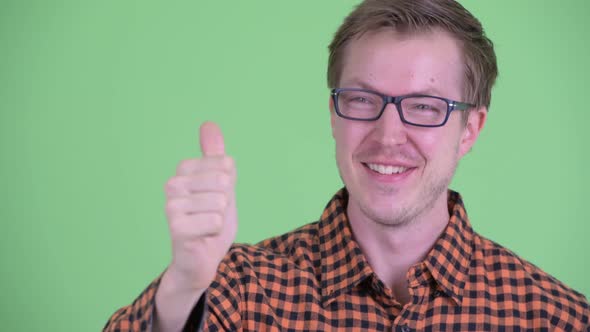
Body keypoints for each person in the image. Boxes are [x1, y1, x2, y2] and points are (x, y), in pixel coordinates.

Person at [104, 0, 589, 331]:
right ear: (333, 113)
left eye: (423, 106)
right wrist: (183, 289)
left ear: (471, 129)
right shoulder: (237, 291)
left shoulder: (554, 317)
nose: (388, 135)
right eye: (362, 99)